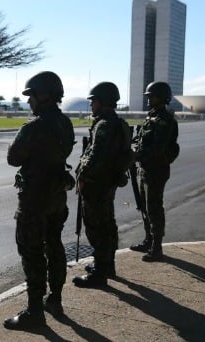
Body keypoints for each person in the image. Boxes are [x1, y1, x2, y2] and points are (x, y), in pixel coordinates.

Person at [4, 71, 75, 329]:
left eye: (31, 95)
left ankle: (34, 312)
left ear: (43, 96)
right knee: (55, 246)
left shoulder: (33, 127)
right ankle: (54, 299)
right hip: (57, 197)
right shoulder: (65, 123)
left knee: (32, 253)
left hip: (34, 201)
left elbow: (13, 158)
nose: (29, 101)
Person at [72, 82, 132, 288]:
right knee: (108, 223)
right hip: (109, 182)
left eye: (93, 101)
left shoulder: (104, 125)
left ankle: (100, 272)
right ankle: (107, 264)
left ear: (102, 101)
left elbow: (97, 155)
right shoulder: (119, 123)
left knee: (96, 227)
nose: (91, 105)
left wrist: (83, 176)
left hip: (97, 183)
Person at [129, 81, 179, 261]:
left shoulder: (165, 120)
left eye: (152, 96)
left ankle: (157, 246)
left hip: (156, 170)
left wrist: (136, 155)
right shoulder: (151, 117)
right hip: (145, 168)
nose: (148, 99)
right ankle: (148, 240)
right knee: (144, 207)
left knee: (154, 208)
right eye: (148, 96)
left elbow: (158, 147)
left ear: (162, 98)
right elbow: (139, 139)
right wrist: (134, 148)